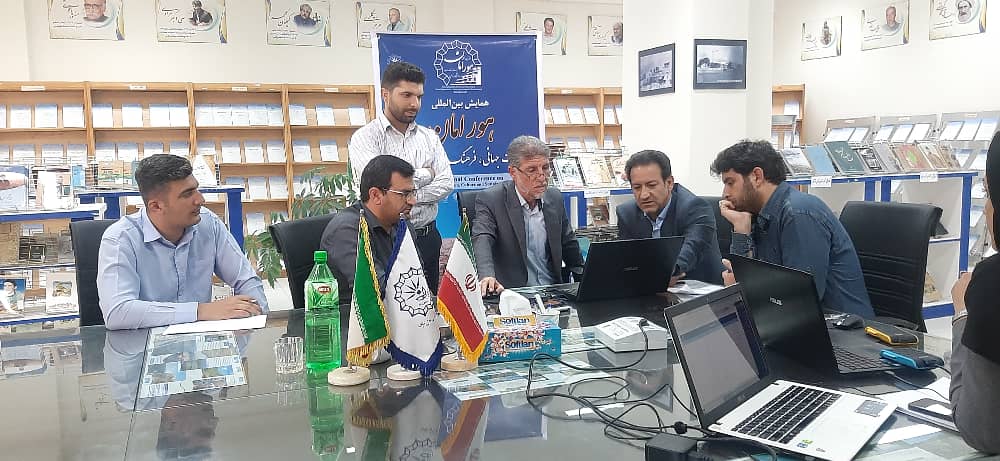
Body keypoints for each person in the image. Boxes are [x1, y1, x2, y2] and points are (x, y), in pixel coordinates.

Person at [97, 154, 267, 330]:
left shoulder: (208, 223)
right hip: (142, 342)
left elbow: (246, 280)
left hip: (200, 341)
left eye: (196, 189)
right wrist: (200, 311)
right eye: (187, 194)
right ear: (156, 206)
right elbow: (118, 312)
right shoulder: (120, 239)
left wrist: (256, 318)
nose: (200, 200)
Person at [710, 140, 875, 318]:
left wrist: (743, 287)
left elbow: (800, 300)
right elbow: (746, 284)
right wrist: (741, 230)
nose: (725, 194)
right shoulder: (757, 215)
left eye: (730, 183)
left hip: (843, 327)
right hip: (794, 321)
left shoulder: (799, 213)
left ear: (757, 176)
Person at [349, 61, 453, 294]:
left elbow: (447, 182)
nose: (414, 103)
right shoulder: (366, 137)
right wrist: (427, 174)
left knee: (426, 306)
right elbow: (376, 185)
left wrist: (407, 195)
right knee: (388, 302)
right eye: (406, 95)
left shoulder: (429, 137)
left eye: (419, 96)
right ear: (385, 94)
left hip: (426, 237)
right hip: (384, 239)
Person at [473, 135, 584, 294]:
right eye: (532, 170)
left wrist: (586, 279)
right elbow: (482, 237)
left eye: (545, 168)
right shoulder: (491, 200)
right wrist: (486, 275)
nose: (541, 177)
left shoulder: (554, 198)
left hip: (553, 292)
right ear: (513, 172)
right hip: (513, 295)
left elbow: (569, 245)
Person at [948, 131, 1000, 454]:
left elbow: (980, 430)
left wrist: (963, 313)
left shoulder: (992, 282)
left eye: (989, 192)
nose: (986, 208)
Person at [616, 150, 725, 285]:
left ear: (669, 183)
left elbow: (690, 249)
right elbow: (627, 258)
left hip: (700, 289)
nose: (644, 195)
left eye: (651, 185)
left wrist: (667, 272)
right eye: (637, 187)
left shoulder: (695, 207)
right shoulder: (626, 213)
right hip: (650, 289)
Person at [321, 155, 417, 307]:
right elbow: (378, 290)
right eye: (404, 194)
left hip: (400, 313)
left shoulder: (403, 224)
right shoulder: (346, 230)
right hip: (356, 318)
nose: (412, 201)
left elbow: (418, 278)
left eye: (413, 193)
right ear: (376, 195)